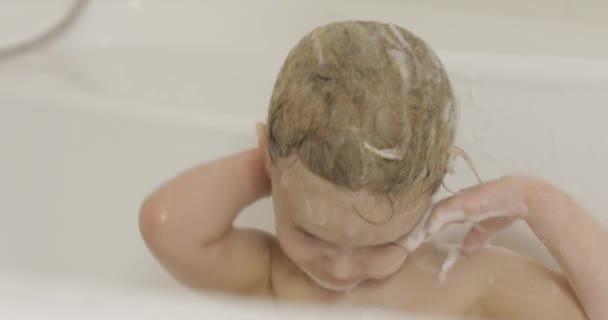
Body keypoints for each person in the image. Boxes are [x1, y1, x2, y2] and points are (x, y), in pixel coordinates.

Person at [139, 21, 605, 319]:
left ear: (435, 188)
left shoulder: (466, 282)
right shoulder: (271, 276)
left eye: (382, 244)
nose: (340, 269)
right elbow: (168, 225)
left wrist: (535, 201)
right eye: (311, 235)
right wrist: (283, 157)